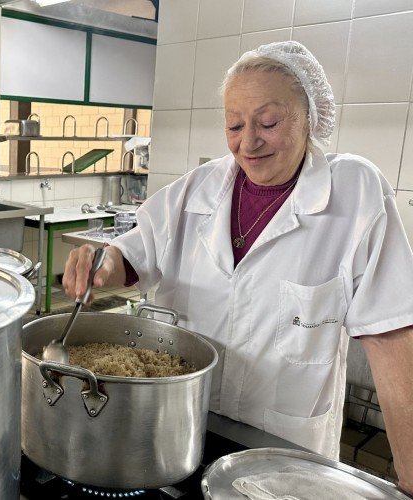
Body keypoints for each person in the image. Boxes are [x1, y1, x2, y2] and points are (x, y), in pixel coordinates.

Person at [63, 41, 413, 493]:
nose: (248, 142)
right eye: (234, 124)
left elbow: (393, 337)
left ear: (311, 118)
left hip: (282, 447)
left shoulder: (355, 194)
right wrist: (103, 261)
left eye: (268, 122)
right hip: (179, 429)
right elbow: (132, 253)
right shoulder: (198, 189)